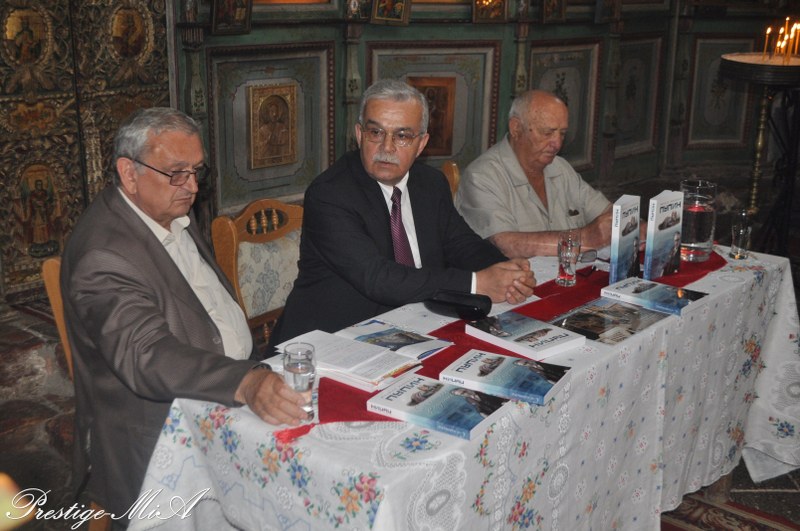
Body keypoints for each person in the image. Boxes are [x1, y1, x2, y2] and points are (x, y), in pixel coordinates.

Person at [61, 107, 310, 520]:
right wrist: (244, 380)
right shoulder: (103, 255)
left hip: (217, 394)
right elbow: (147, 355)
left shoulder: (169, 209)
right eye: (177, 173)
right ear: (128, 173)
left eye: (197, 171)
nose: (192, 186)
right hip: (158, 429)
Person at [270, 79, 536, 347]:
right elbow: (378, 278)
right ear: (360, 135)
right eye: (376, 133)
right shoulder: (330, 194)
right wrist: (478, 282)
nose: (387, 147)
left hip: (414, 328)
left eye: (402, 136)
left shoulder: (430, 183)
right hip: (328, 340)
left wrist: (506, 270)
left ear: (421, 143)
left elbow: (461, 243)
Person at [454, 90, 613, 258]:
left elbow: (606, 212)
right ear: (516, 128)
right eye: (547, 133)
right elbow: (505, 245)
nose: (557, 143)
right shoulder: (482, 176)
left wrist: (624, 223)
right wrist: (583, 238)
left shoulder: (560, 167)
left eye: (562, 133)